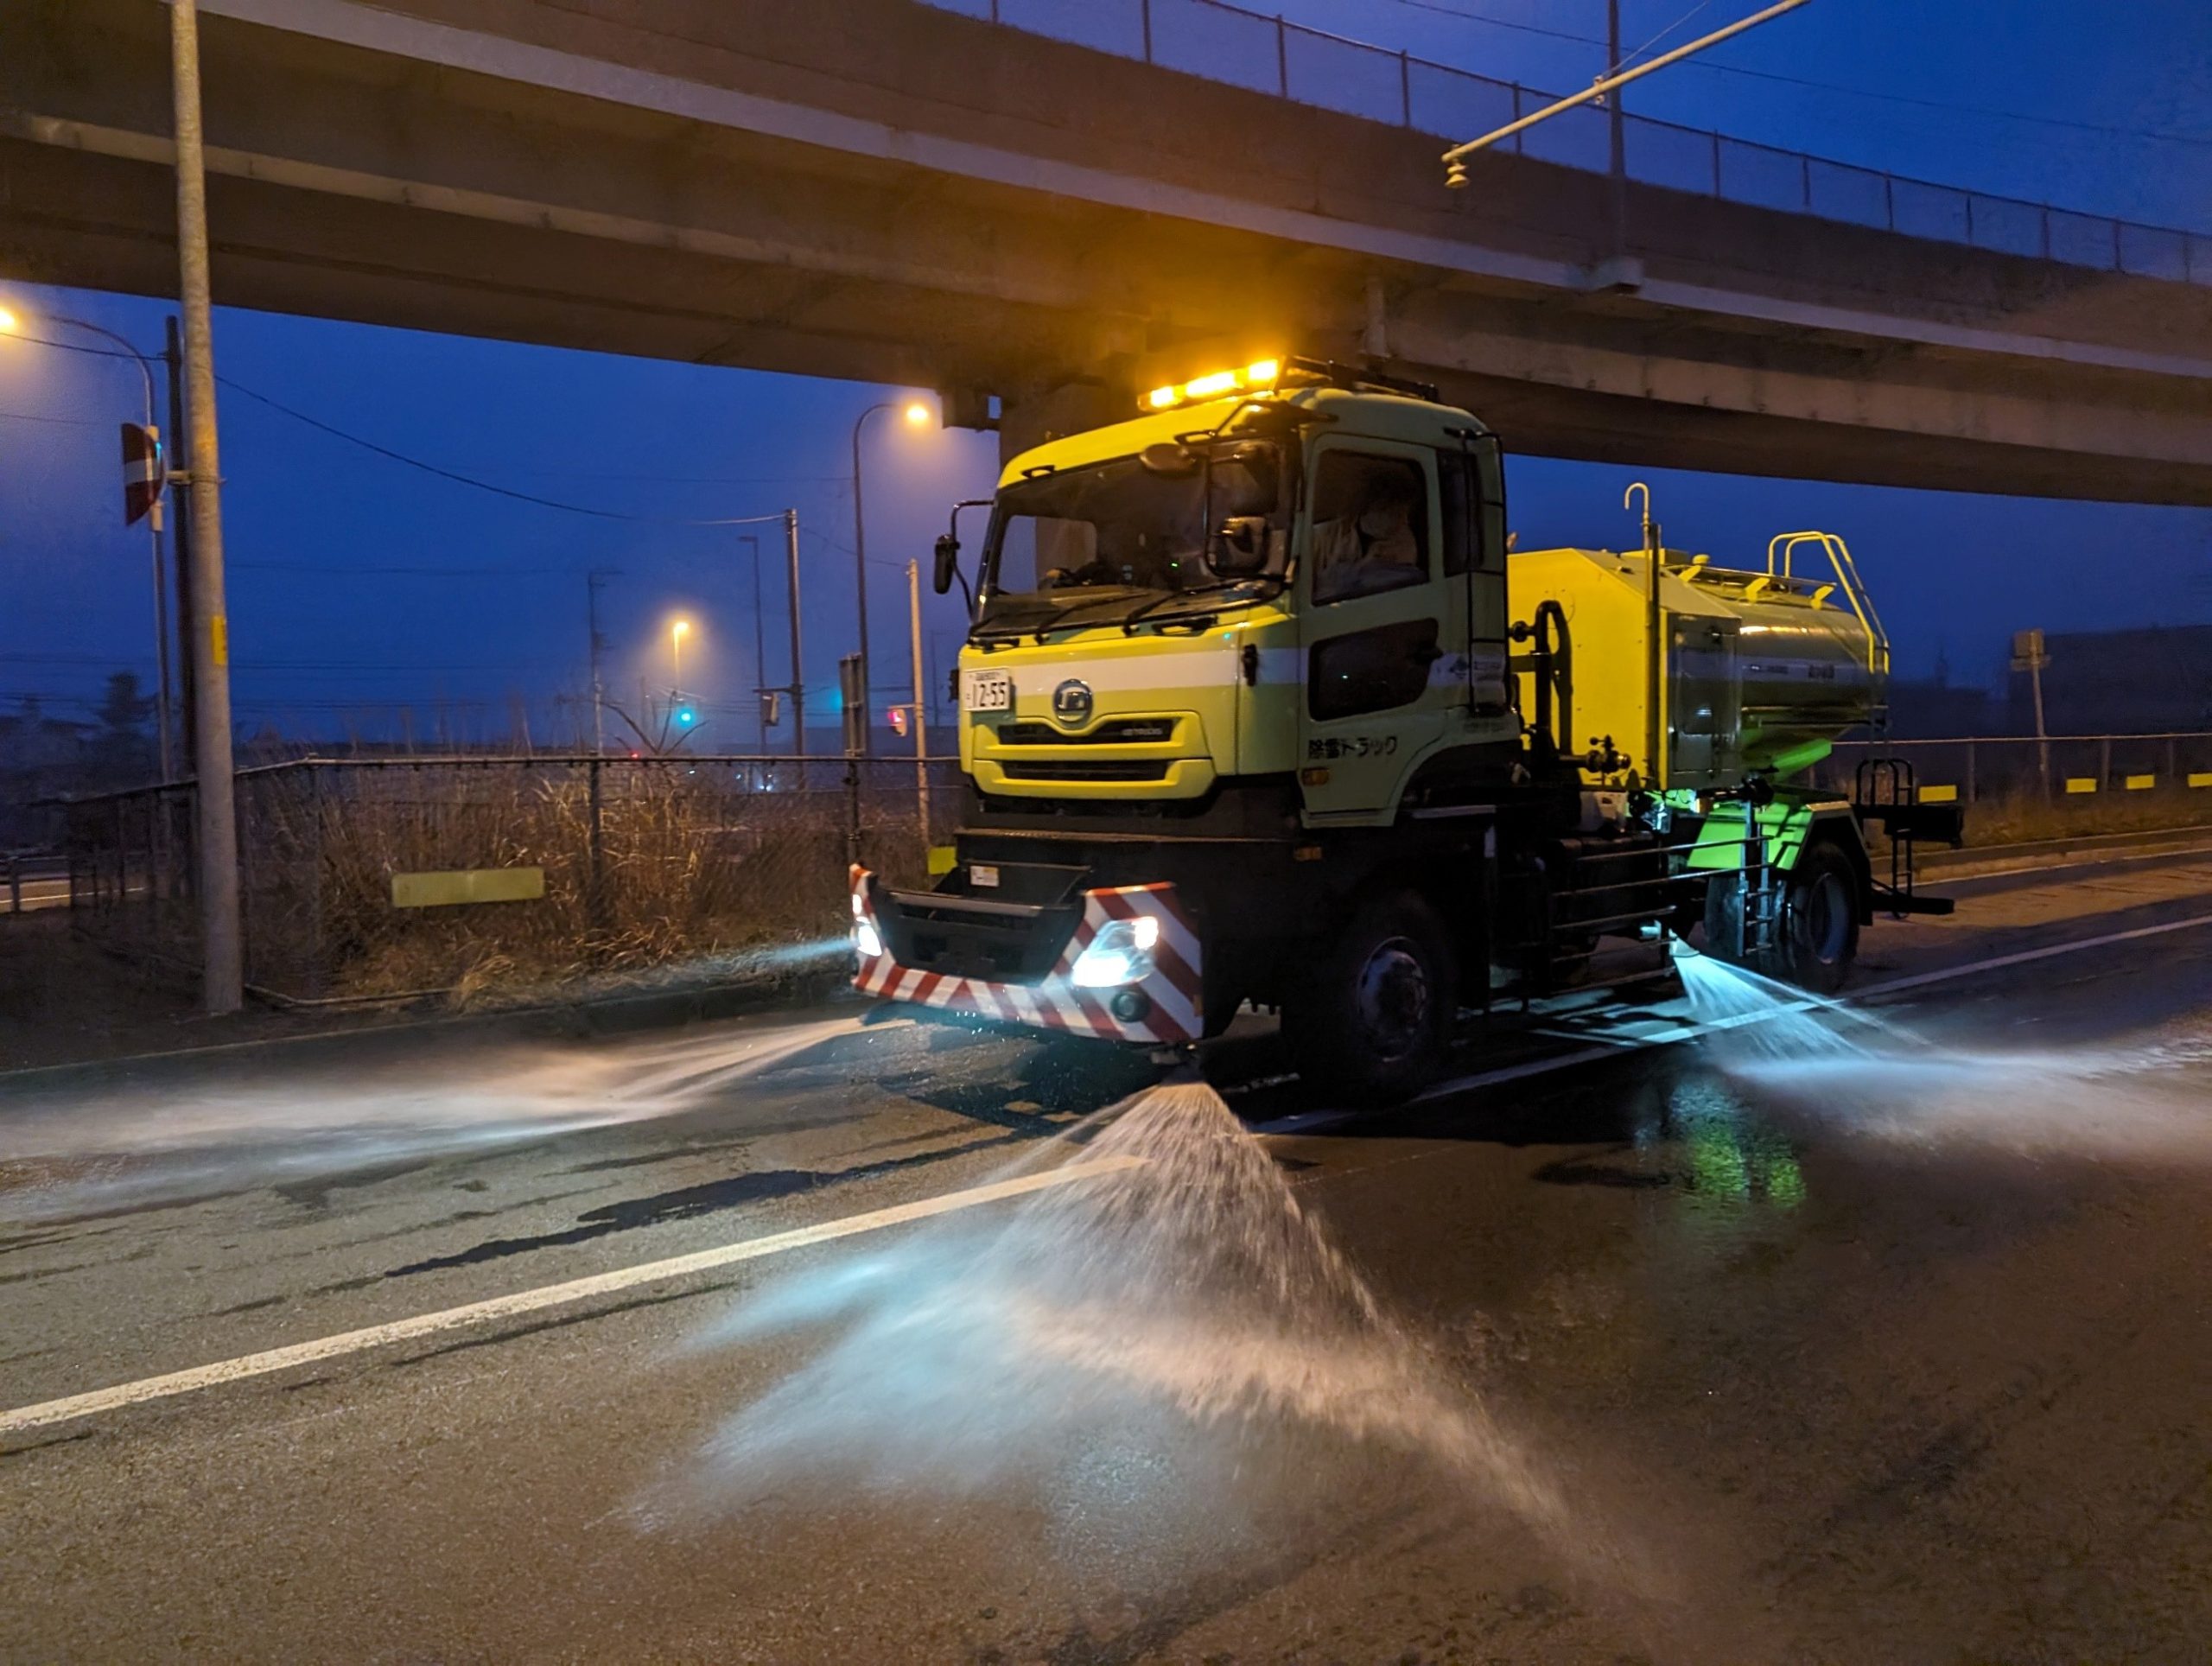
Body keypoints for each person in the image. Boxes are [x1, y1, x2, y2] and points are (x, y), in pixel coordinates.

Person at [1313, 462, 1425, 602]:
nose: (1404, 522)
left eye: (1406, 514)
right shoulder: (1321, 537)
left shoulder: (1405, 542)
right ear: (1368, 508)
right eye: (1395, 513)